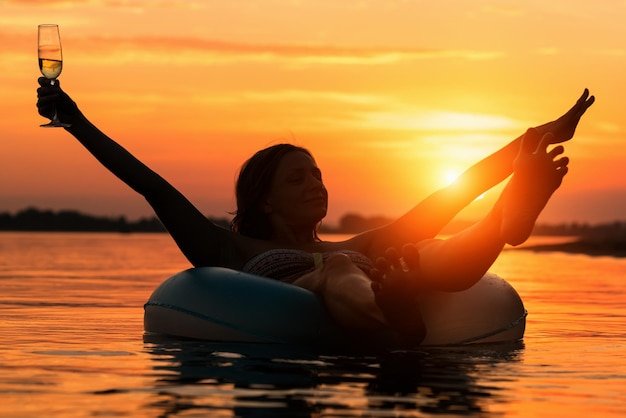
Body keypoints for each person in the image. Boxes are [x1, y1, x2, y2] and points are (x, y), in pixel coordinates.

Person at [36, 77, 594, 346]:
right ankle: (394, 306)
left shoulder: (361, 244)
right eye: (298, 177)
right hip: (332, 284)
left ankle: (504, 223)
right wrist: (76, 121)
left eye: (319, 174)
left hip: (373, 278)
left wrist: (536, 137)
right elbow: (149, 185)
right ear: (262, 200)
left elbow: (449, 195)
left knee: (423, 248)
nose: (316, 184)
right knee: (342, 268)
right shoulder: (233, 250)